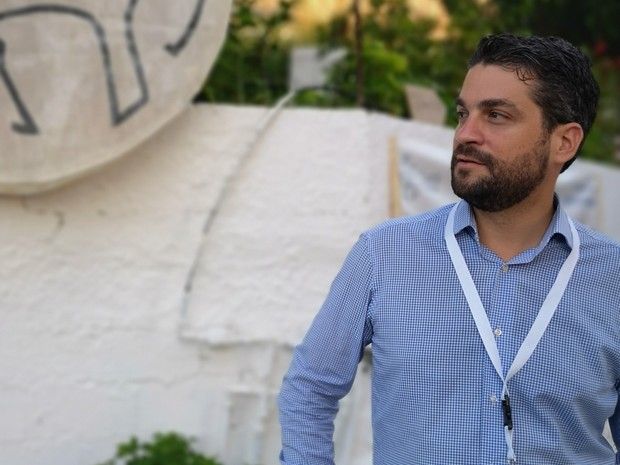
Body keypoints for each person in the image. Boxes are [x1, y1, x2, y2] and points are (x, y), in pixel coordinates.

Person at [278, 33, 620, 465]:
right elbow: (309, 389)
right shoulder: (384, 254)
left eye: (496, 115)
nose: (465, 134)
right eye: (463, 114)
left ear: (564, 142)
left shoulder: (612, 278)